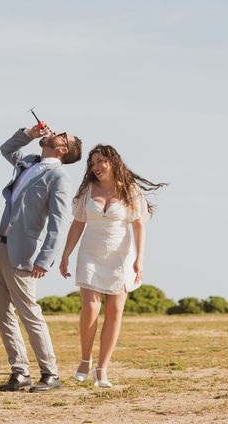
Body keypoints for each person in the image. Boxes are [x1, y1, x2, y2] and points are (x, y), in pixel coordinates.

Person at [59, 144, 167, 388]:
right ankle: (85, 360)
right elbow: (77, 223)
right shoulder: (88, 189)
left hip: (121, 256)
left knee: (115, 313)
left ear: (112, 161)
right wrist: (66, 253)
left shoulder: (130, 190)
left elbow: (139, 225)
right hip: (90, 254)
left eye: (100, 162)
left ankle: (102, 369)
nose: (95, 167)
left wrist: (140, 259)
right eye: (92, 163)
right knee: (90, 306)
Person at [0, 123, 82, 393]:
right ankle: (20, 374)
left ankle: (50, 374)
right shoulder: (29, 161)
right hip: (0, 247)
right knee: (1, 314)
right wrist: (30, 134)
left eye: (62, 135)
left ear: (63, 149)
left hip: (25, 253)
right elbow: (6, 149)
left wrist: (45, 258)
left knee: (29, 313)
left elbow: (58, 221)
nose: (56, 132)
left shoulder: (59, 178)